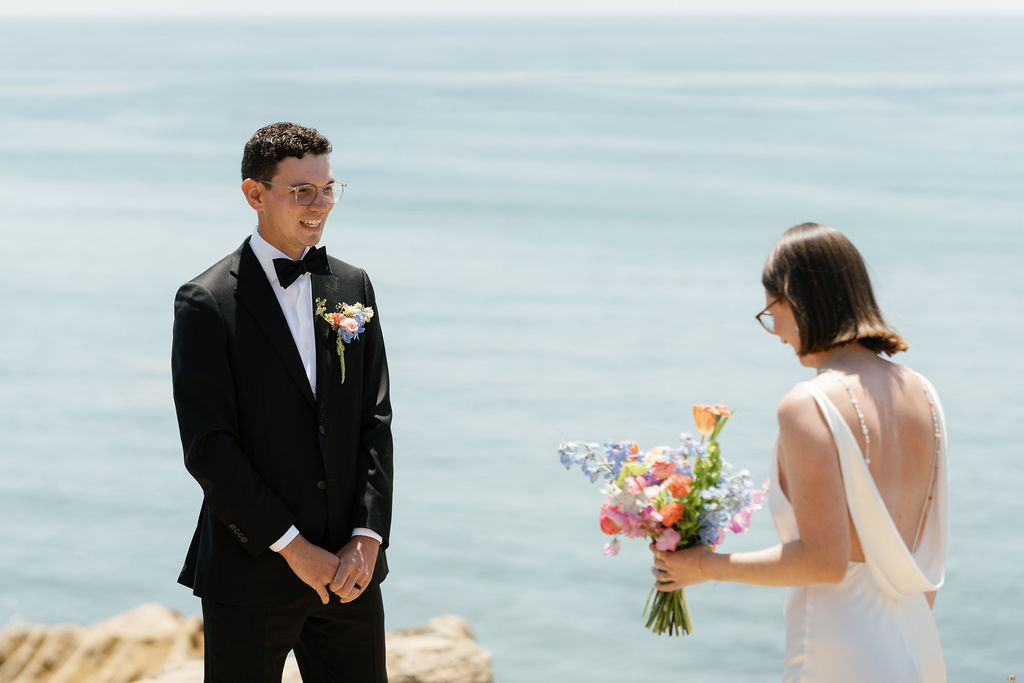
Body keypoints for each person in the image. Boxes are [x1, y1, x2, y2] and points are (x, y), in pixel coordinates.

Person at [651, 223, 947, 681]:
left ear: (801, 300)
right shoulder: (924, 393)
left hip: (839, 646)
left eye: (772, 310)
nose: (776, 332)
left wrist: (703, 566)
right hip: (914, 642)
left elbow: (823, 561)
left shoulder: (809, 404)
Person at [171, 122, 393, 682]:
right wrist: (294, 549)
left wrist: (367, 538)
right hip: (252, 574)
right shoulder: (206, 302)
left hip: (350, 574)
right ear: (254, 194)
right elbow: (208, 448)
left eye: (328, 189)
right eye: (302, 191)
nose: (320, 205)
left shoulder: (353, 286)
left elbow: (375, 418)